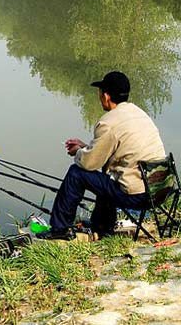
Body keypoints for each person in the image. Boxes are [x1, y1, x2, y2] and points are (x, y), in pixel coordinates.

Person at [40, 71, 166, 240]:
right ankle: (102, 226)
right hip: (160, 189)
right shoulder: (137, 113)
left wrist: (78, 152)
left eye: (100, 93)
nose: (99, 97)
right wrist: (86, 147)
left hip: (137, 197)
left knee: (76, 174)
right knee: (106, 179)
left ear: (106, 96)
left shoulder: (108, 122)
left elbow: (89, 164)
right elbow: (116, 151)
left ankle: (60, 229)